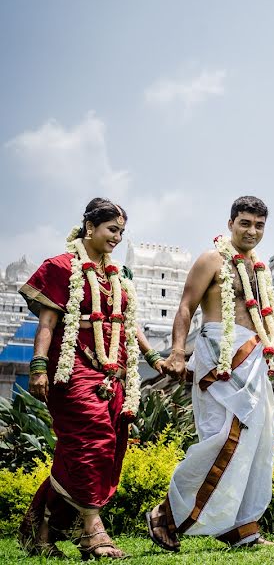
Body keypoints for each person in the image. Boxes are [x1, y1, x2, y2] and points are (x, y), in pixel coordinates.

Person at [147, 196, 274, 551]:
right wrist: (177, 351)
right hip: (219, 355)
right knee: (223, 438)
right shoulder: (211, 259)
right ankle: (166, 514)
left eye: (259, 225)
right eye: (245, 223)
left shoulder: (260, 271)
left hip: (254, 358)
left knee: (257, 442)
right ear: (231, 223)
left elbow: (271, 323)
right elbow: (186, 306)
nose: (252, 231)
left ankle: (242, 527)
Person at [17, 198, 164, 559]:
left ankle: (38, 530)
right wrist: (38, 366)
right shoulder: (60, 266)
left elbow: (129, 324)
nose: (117, 237)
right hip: (72, 368)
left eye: (121, 232)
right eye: (112, 229)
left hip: (113, 370)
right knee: (91, 440)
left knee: (97, 448)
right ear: (89, 227)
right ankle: (92, 533)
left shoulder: (119, 275)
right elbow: (48, 323)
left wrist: (153, 357)